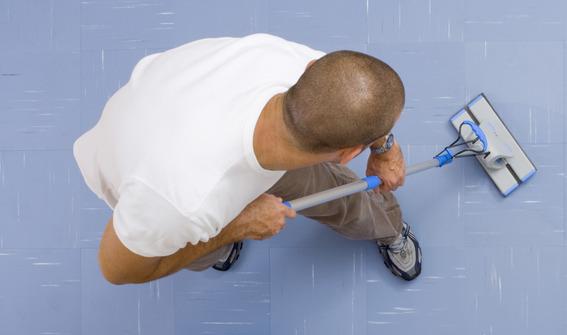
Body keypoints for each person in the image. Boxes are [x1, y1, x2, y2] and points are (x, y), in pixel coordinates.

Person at [73, 33, 421, 285]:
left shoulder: (288, 63)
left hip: (164, 124)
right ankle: (220, 242)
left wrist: (384, 148)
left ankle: (387, 227)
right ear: (349, 155)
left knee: (343, 196)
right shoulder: (184, 203)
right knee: (200, 241)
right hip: (160, 189)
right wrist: (238, 226)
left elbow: (358, 99)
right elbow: (118, 270)